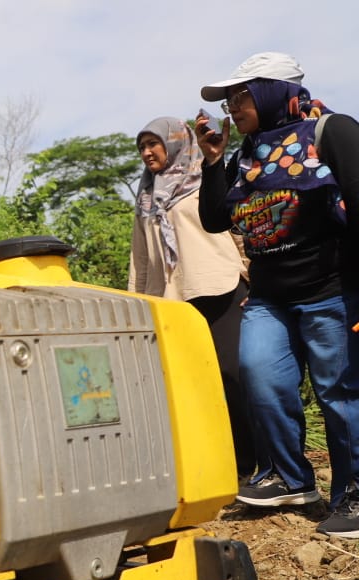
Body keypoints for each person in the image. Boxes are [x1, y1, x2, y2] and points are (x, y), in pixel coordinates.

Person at [196, 52, 359, 537]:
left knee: (340, 393)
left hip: (331, 289)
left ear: (271, 90)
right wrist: (212, 161)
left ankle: (353, 494)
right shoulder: (247, 154)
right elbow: (214, 219)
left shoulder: (332, 132)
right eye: (228, 99)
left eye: (240, 95)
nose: (232, 107)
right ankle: (290, 478)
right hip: (269, 297)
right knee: (260, 377)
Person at [129, 117, 255, 480]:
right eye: (142, 146)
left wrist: (256, 279)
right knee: (191, 385)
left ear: (174, 143)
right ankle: (215, 468)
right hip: (173, 301)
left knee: (234, 376)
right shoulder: (146, 195)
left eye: (154, 143)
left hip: (221, 287)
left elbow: (239, 229)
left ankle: (252, 466)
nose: (147, 152)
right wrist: (135, 303)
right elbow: (140, 257)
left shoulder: (207, 178)